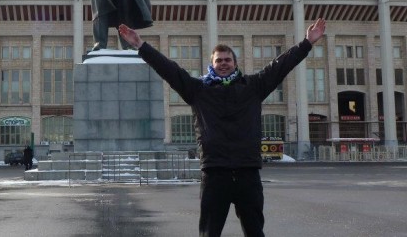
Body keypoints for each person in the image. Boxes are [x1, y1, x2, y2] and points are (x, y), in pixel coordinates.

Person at [119, 18, 327, 237]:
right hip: (215, 173)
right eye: (219, 60)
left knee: (255, 231)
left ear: (235, 63)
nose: (224, 63)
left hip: (247, 173)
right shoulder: (198, 90)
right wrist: (141, 45)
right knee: (210, 233)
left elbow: (281, 65)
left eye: (228, 59)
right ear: (212, 64)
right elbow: (169, 70)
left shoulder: (253, 87)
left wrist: (307, 43)